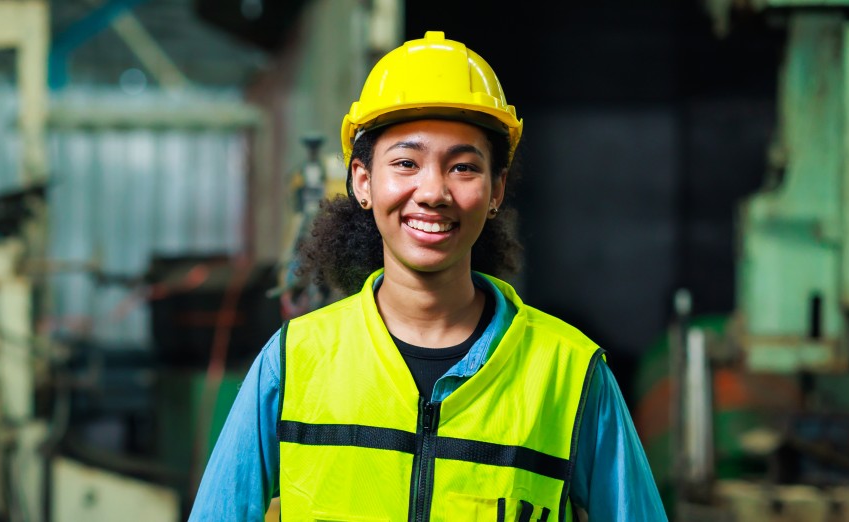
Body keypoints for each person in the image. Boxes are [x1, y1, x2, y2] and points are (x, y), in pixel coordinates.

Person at [190, 31, 665, 521]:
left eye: (463, 167)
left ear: (496, 189)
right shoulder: (292, 364)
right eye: (405, 163)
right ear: (363, 181)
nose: (433, 191)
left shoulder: (570, 374)